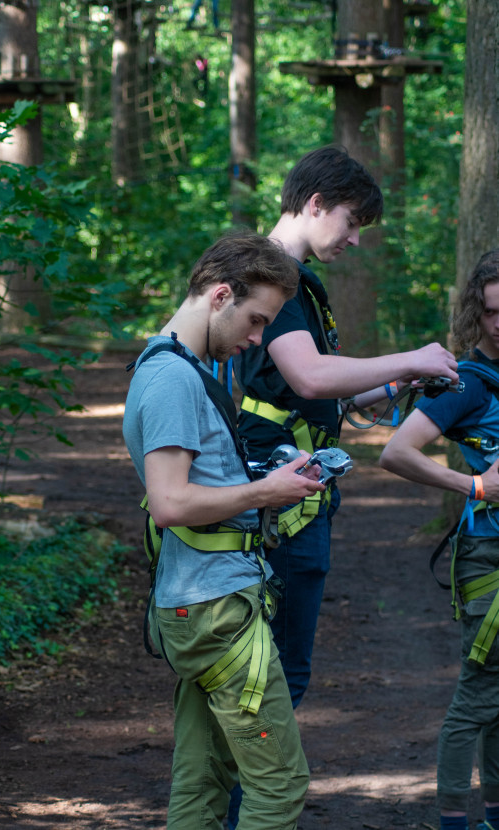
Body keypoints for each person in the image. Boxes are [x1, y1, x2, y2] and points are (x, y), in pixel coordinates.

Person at [234, 145, 459, 713]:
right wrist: (410, 360)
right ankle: (255, 804)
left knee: (276, 671)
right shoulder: (274, 276)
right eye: (352, 221)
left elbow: (299, 387)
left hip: (293, 485)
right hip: (281, 496)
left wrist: (386, 390)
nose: (355, 238)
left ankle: (248, 801)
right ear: (316, 203)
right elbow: (309, 378)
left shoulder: (286, 278)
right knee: (279, 675)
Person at [122, 231, 326, 830]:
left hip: (203, 603)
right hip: (213, 607)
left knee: (204, 780)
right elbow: (169, 502)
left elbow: (197, 480)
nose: (258, 339)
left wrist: (265, 475)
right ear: (219, 296)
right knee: (280, 786)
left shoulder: (183, 369)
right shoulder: (172, 380)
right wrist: (268, 491)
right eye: (257, 320)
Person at [379, 249, 499, 830]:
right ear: (476, 314)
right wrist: (473, 484)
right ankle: (454, 820)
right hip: (489, 557)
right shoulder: (467, 384)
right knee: (480, 694)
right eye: (492, 311)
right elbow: (395, 452)